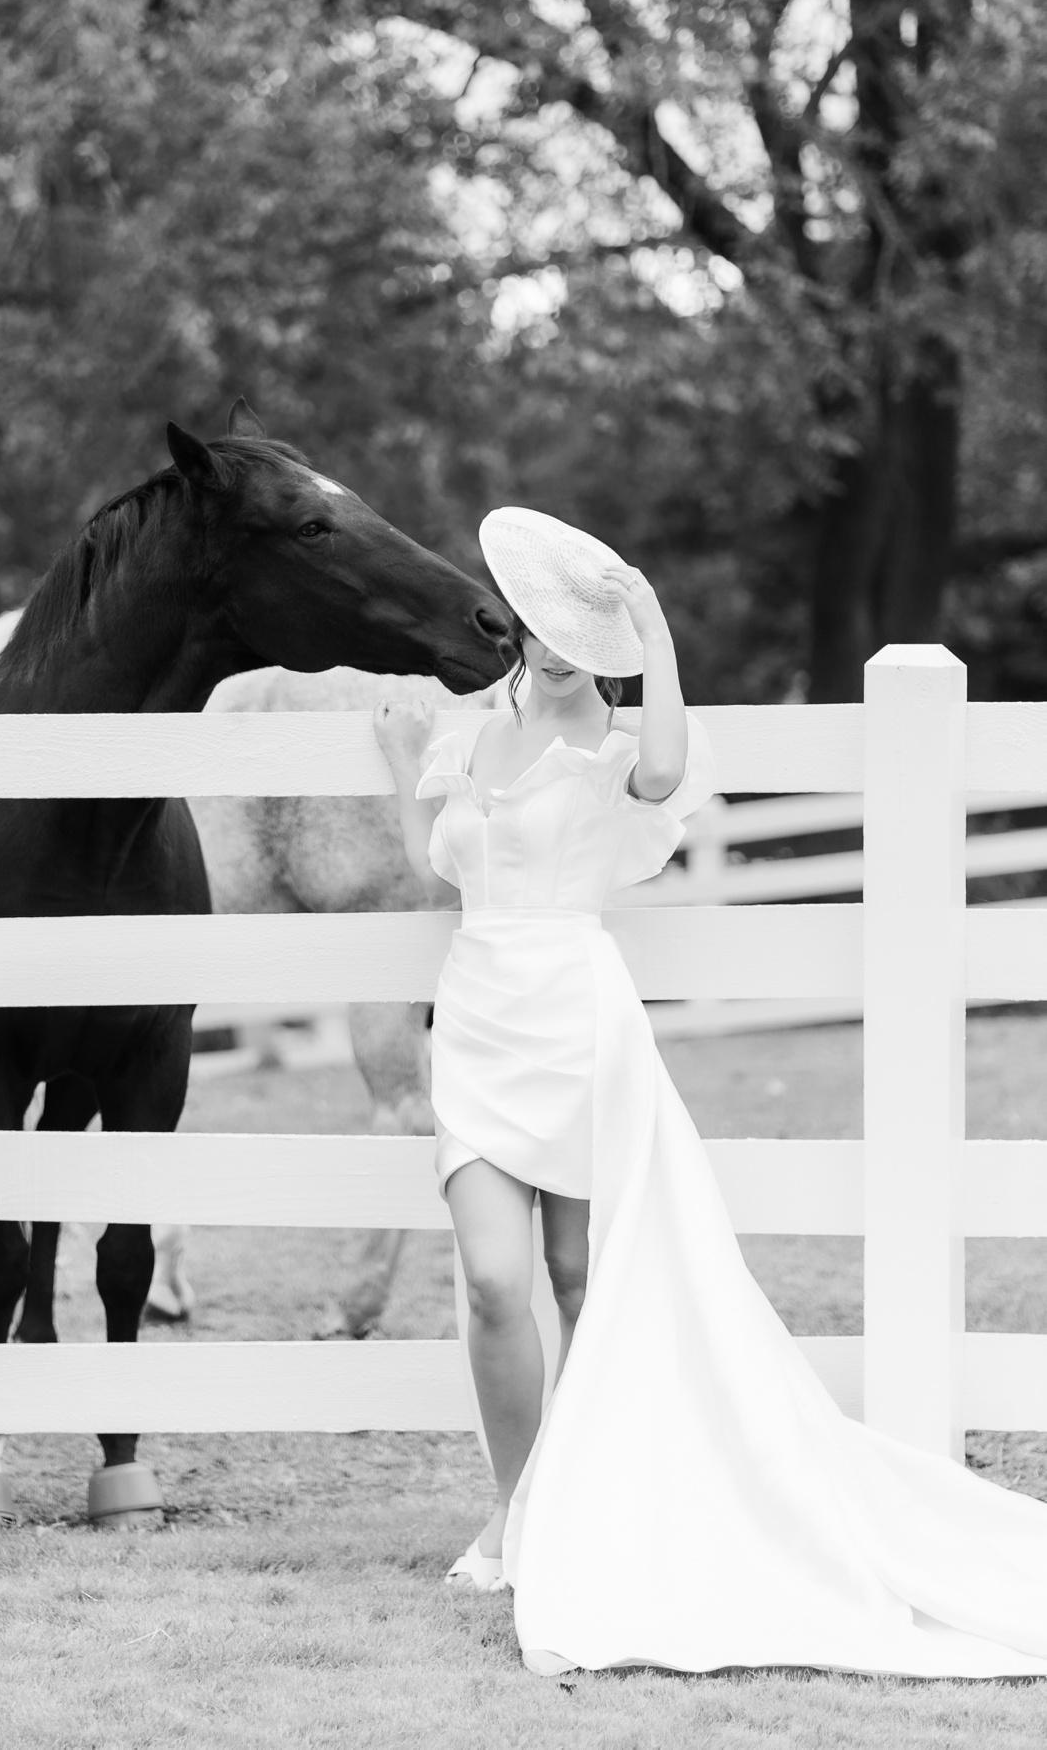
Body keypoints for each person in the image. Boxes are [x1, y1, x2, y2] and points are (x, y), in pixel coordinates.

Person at [375, 505, 1047, 1678]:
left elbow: (669, 772)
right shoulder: (470, 737)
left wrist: (652, 630)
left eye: (583, 635)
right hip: (478, 1016)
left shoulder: (617, 741)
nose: (559, 649)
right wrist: (401, 772)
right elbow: (436, 867)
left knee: (583, 1278)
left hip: (578, 1018)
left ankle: (579, 1505)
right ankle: (512, 1505)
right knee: (492, 1281)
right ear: (516, 624)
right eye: (545, 626)